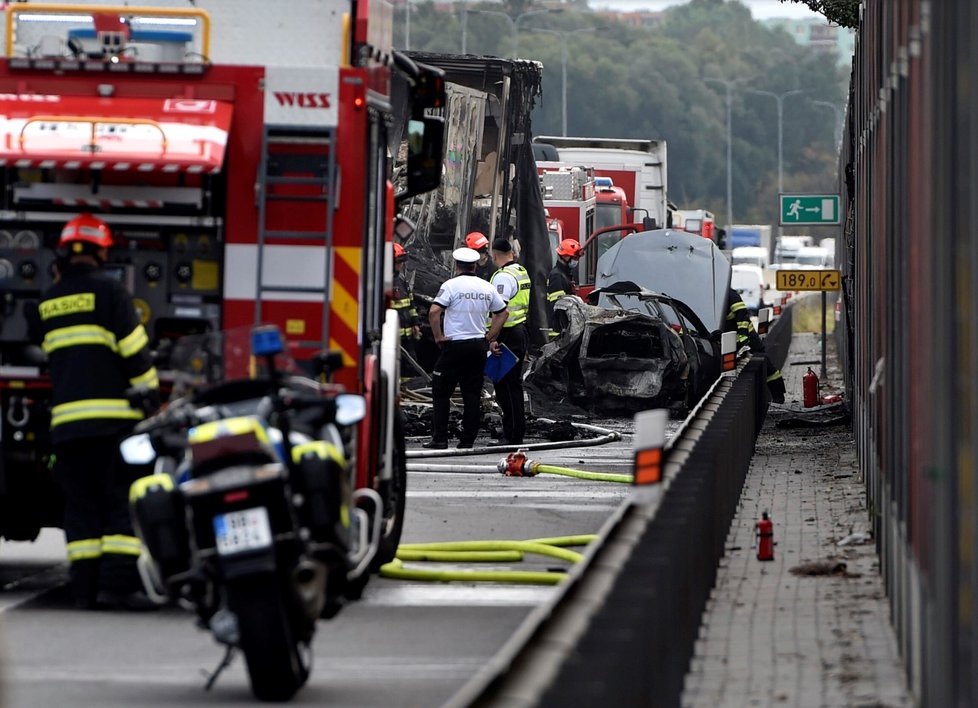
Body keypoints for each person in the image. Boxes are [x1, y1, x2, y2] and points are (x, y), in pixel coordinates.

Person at [28, 213, 160, 611]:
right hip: (114, 425)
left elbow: (38, 344)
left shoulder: (47, 301)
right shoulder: (113, 293)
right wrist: (152, 395)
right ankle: (116, 587)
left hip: (67, 429)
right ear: (102, 253)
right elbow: (134, 352)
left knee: (81, 508)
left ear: (64, 253)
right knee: (120, 500)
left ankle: (83, 591)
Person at [425, 247, 508, 449]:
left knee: (441, 391)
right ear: (475, 265)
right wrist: (489, 337)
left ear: (456, 265)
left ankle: (440, 439)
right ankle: (467, 440)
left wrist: (438, 337)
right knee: (472, 394)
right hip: (478, 346)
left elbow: (434, 311)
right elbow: (503, 313)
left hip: (454, 346)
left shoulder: (451, 285)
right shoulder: (486, 287)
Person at [488, 237, 531, 445]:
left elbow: (500, 312)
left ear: (494, 255)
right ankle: (515, 432)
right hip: (519, 332)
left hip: (507, 334)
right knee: (513, 385)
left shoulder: (502, 277)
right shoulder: (520, 271)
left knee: (504, 385)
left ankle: (511, 434)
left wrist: (491, 337)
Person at [724, 287, 786, 403]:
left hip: (748, 335)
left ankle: (778, 396)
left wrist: (742, 335)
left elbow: (742, 314)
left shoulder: (730, 294)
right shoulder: (714, 296)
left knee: (764, 363)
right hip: (727, 338)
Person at [392, 243, 422, 378]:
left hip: (407, 335)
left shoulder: (401, 281)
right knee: (393, 366)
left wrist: (415, 323)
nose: (401, 265)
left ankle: (407, 390)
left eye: (402, 262)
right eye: (398, 262)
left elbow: (410, 304)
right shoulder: (383, 283)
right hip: (392, 338)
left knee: (410, 367)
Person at [547, 238, 583, 336]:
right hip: (558, 331)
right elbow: (559, 306)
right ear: (565, 257)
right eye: (575, 258)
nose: (576, 261)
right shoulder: (557, 276)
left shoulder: (565, 274)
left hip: (566, 328)